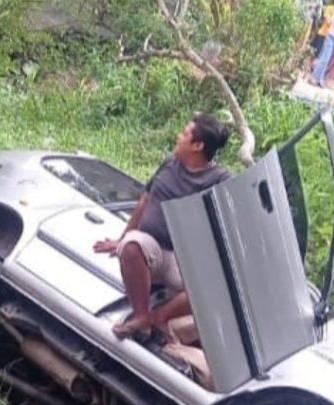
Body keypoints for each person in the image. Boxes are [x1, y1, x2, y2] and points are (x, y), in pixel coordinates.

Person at [94, 114, 232, 340]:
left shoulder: (220, 180)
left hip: (184, 262)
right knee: (130, 247)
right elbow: (144, 201)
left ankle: (158, 318)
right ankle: (140, 317)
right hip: (152, 251)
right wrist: (122, 238)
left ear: (197, 146)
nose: (178, 137)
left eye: (185, 133)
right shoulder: (170, 163)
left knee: (213, 287)